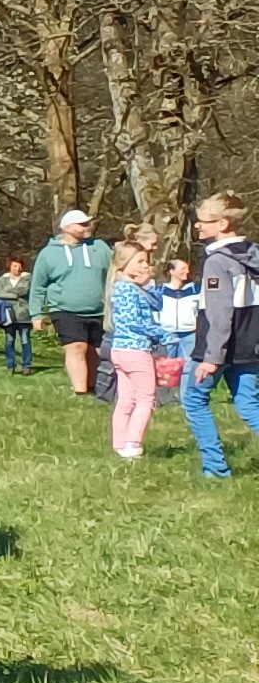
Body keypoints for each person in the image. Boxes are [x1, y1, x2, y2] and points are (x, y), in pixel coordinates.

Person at [186, 193, 259, 479]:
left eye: (204, 221)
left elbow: (220, 314)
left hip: (220, 348)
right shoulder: (253, 253)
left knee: (194, 400)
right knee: (249, 403)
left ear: (223, 224)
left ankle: (216, 468)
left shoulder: (217, 261)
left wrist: (211, 358)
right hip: (250, 345)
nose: (197, 226)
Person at [103, 239, 172, 462]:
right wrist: (163, 334)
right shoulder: (126, 290)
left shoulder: (127, 288)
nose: (145, 266)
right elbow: (135, 322)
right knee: (145, 399)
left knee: (126, 398)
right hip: (135, 350)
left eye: (147, 261)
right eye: (140, 261)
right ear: (124, 262)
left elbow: (157, 304)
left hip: (120, 350)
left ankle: (119, 443)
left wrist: (149, 284)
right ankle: (133, 444)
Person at [31, 207, 111, 394]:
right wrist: (36, 314)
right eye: (82, 224)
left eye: (87, 223)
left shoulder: (100, 248)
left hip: (99, 310)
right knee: (77, 347)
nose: (87, 227)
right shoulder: (48, 254)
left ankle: (93, 387)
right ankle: (80, 390)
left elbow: (115, 271)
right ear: (66, 228)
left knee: (96, 351)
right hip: (65, 309)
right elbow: (38, 286)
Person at [0, 252, 36, 376]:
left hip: (23, 314)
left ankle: (27, 366)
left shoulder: (28, 278)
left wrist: (8, 293)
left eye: (19, 266)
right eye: (15, 266)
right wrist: (14, 294)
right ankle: (10, 365)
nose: (17, 268)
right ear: (10, 266)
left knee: (25, 340)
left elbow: (24, 290)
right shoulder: (2, 279)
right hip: (7, 314)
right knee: (9, 340)